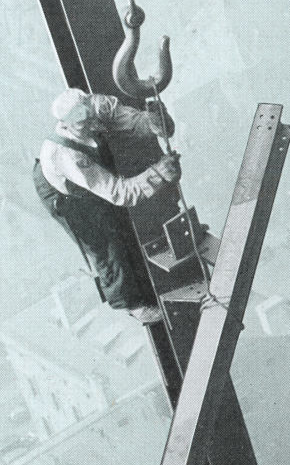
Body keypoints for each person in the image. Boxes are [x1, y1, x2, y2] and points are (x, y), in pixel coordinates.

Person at [34, 88, 181, 323]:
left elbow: (132, 123)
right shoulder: (66, 155)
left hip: (92, 164)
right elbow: (119, 193)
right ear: (67, 124)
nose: (92, 125)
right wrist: (158, 175)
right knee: (103, 242)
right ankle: (132, 304)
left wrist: (154, 122)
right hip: (66, 193)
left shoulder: (99, 108)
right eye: (84, 124)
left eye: (92, 117)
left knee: (120, 212)